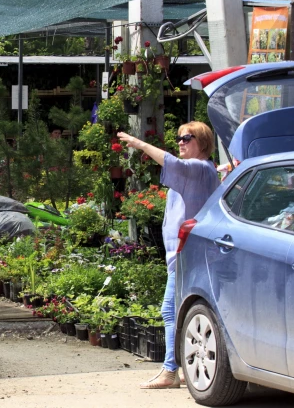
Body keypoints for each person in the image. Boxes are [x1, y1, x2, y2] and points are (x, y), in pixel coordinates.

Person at [117, 121, 219, 389]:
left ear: (203, 142)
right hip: (184, 255)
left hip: (187, 256)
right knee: (183, 313)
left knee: (170, 311)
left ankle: (170, 370)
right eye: (179, 138)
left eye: (188, 137)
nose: (181, 142)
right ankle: (183, 367)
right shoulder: (202, 170)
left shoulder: (197, 168)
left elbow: (174, 163)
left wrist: (139, 144)